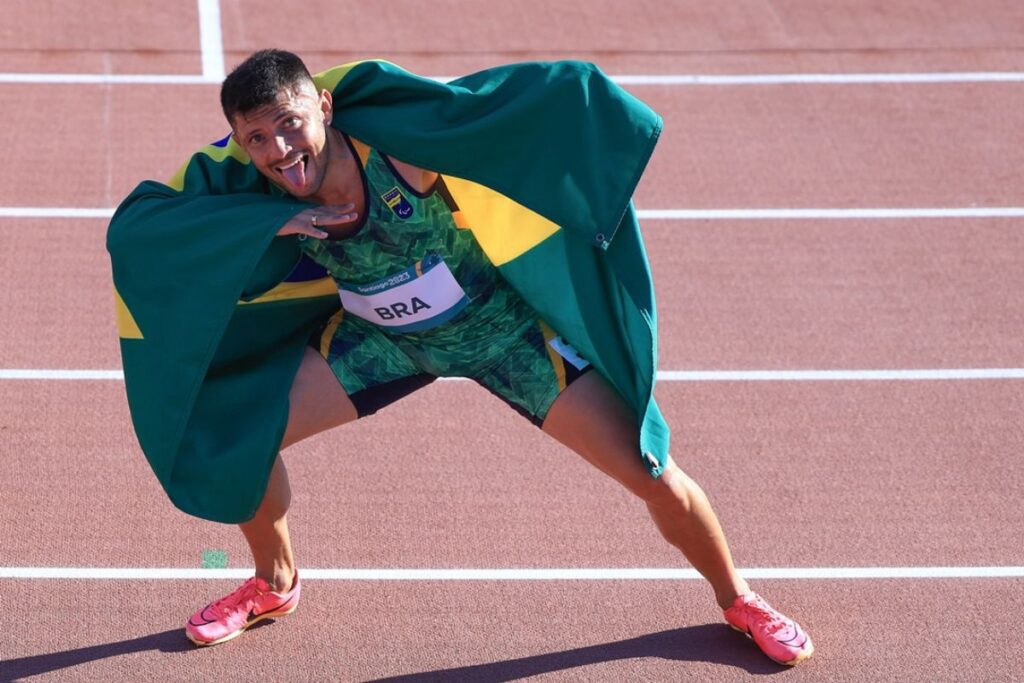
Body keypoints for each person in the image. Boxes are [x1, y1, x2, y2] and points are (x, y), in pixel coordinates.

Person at [114, 50, 812, 666]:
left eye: (291, 123)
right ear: (240, 142)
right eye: (258, 137)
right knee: (240, 432)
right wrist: (266, 221)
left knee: (652, 471)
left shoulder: (402, 153)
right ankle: (276, 582)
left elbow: (527, 106)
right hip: (379, 343)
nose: (281, 149)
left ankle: (739, 598)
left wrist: (613, 132)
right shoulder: (255, 189)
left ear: (323, 105)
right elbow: (143, 227)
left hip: (505, 335)